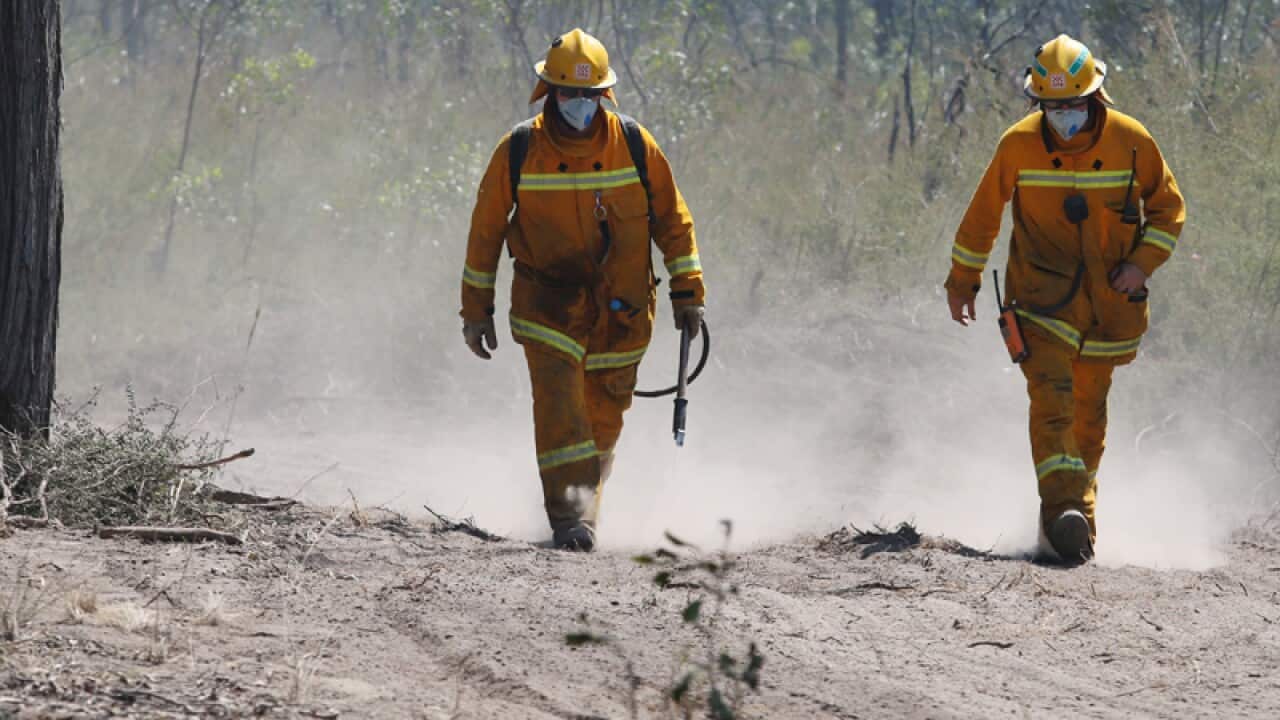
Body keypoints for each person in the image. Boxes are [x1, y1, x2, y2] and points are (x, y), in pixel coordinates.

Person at [459, 28, 706, 552]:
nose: (579, 104)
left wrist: (688, 291)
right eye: (569, 93)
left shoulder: (634, 145)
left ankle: (585, 503)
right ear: (548, 91)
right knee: (558, 405)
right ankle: (570, 518)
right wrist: (476, 310)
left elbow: (673, 221)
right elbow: (485, 232)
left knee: (601, 417)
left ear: (604, 94)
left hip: (622, 310)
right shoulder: (519, 150)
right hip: (546, 305)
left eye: (589, 94)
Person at [945, 34, 1185, 564]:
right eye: (1052, 107)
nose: (1063, 117)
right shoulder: (1017, 144)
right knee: (1051, 401)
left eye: (1073, 105)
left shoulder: (1133, 141)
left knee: (1088, 422)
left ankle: (1075, 528)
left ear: (1095, 97)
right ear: (1038, 103)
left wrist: (1140, 264)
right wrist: (963, 281)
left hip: (1108, 310)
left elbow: (1169, 211)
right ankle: (1062, 511)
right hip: (1040, 302)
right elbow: (982, 217)